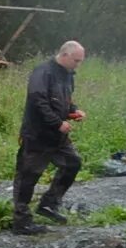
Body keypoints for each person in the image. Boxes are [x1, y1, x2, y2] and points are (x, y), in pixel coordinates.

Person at [13, 40, 87, 234]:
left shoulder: (68, 75)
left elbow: (65, 100)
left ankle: (49, 204)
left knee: (73, 163)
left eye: (80, 61)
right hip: (37, 135)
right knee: (28, 176)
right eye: (76, 60)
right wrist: (57, 123)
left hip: (58, 136)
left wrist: (74, 111)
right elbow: (38, 101)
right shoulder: (43, 72)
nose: (78, 65)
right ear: (64, 55)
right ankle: (21, 221)